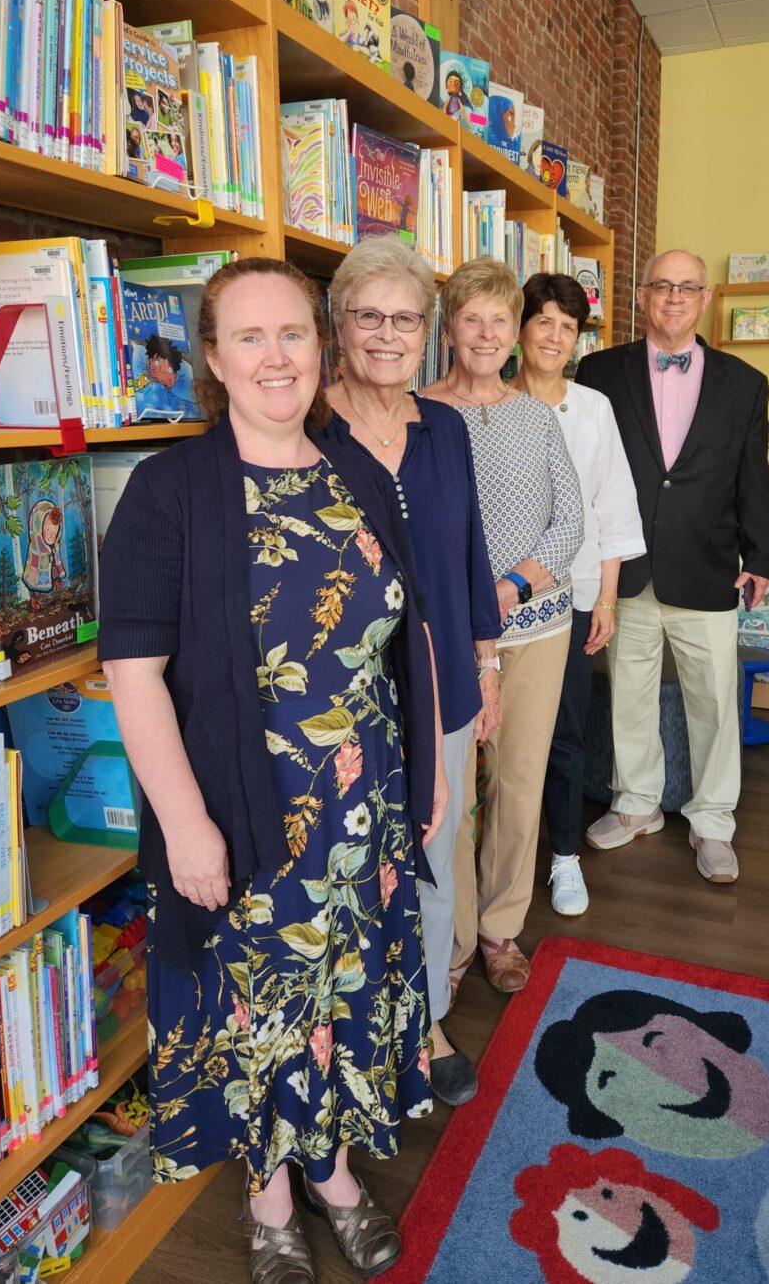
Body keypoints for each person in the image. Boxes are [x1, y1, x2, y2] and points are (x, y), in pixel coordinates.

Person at [99, 256, 449, 1283]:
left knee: (341, 994)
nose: (274, 356)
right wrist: (186, 826)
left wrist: (420, 771)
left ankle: (332, 1172)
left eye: (292, 333)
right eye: (247, 337)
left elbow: (404, 626)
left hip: (365, 800)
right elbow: (133, 670)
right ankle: (266, 1201)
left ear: (323, 344)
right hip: (247, 812)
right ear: (211, 356)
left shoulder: (353, 470)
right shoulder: (171, 491)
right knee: (257, 1008)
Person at [318, 236, 502, 1108]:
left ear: (428, 332)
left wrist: (488, 661)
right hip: (342, 699)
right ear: (338, 322)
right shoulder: (303, 431)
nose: (387, 334)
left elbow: (471, 553)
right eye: (369, 315)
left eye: (405, 318)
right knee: (348, 868)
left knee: (433, 853)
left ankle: (424, 1019)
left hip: (445, 690)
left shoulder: (447, 429)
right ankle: (354, 1032)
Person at [576, 249, 769, 884]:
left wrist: (762, 553)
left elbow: (753, 476)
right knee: (629, 696)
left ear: (706, 297)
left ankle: (713, 821)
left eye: (686, 287)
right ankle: (637, 804)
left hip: (707, 564)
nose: (673, 297)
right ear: (642, 295)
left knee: (715, 701)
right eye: (661, 285)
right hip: (627, 566)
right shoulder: (598, 370)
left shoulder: (743, 381)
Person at [423, 258, 583, 993]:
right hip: (447, 634)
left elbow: (570, 521)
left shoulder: (537, 416)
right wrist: (469, 605)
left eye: (499, 319)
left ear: (514, 331)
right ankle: (450, 939)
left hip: (538, 625)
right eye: (472, 318)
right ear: (449, 325)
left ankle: (499, 929)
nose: (486, 334)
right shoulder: (418, 413)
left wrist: (508, 588)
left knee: (517, 782)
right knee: (449, 791)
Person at [513, 273, 644, 917]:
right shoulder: (490, 403)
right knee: (500, 738)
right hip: (504, 601)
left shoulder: (593, 408)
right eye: (545, 322)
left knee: (564, 729)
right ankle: (502, 863)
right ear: (521, 327)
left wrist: (608, 598)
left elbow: (613, 504)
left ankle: (564, 856)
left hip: (577, 592)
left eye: (569, 327)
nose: (556, 337)